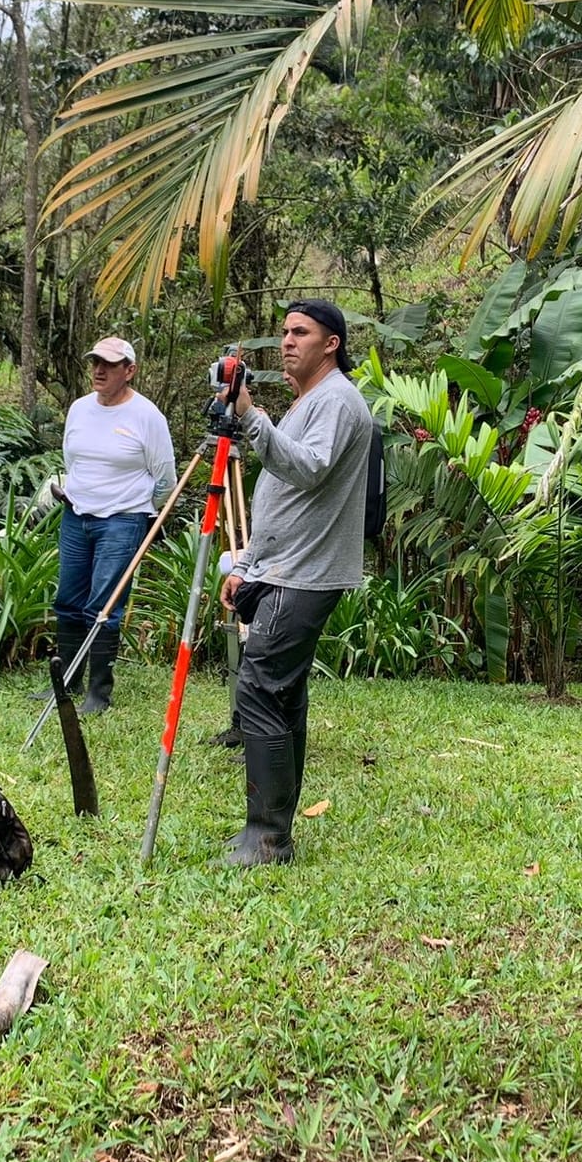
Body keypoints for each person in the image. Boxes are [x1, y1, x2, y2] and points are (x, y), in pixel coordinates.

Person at [216, 299, 375, 866]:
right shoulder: (310, 401)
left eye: (301, 332)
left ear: (331, 344)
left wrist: (251, 416)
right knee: (281, 695)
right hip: (282, 566)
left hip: (305, 574)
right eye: (284, 331)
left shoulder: (337, 400)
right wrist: (248, 563)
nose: (287, 341)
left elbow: (308, 468)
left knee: (260, 689)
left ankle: (267, 837)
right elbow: (281, 495)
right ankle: (269, 833)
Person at [53, 337, 176, 715]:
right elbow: (72, 460)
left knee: (103, 606)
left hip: (123, 521)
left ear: (130, 370)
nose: (99, 370)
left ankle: (98, 693)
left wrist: (138, 509)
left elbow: (166, 479)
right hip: (76, 515)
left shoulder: (147, 416)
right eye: (95, 362)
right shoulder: (79, 409)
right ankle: (66, 682)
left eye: (109, 364)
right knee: (68, 601)